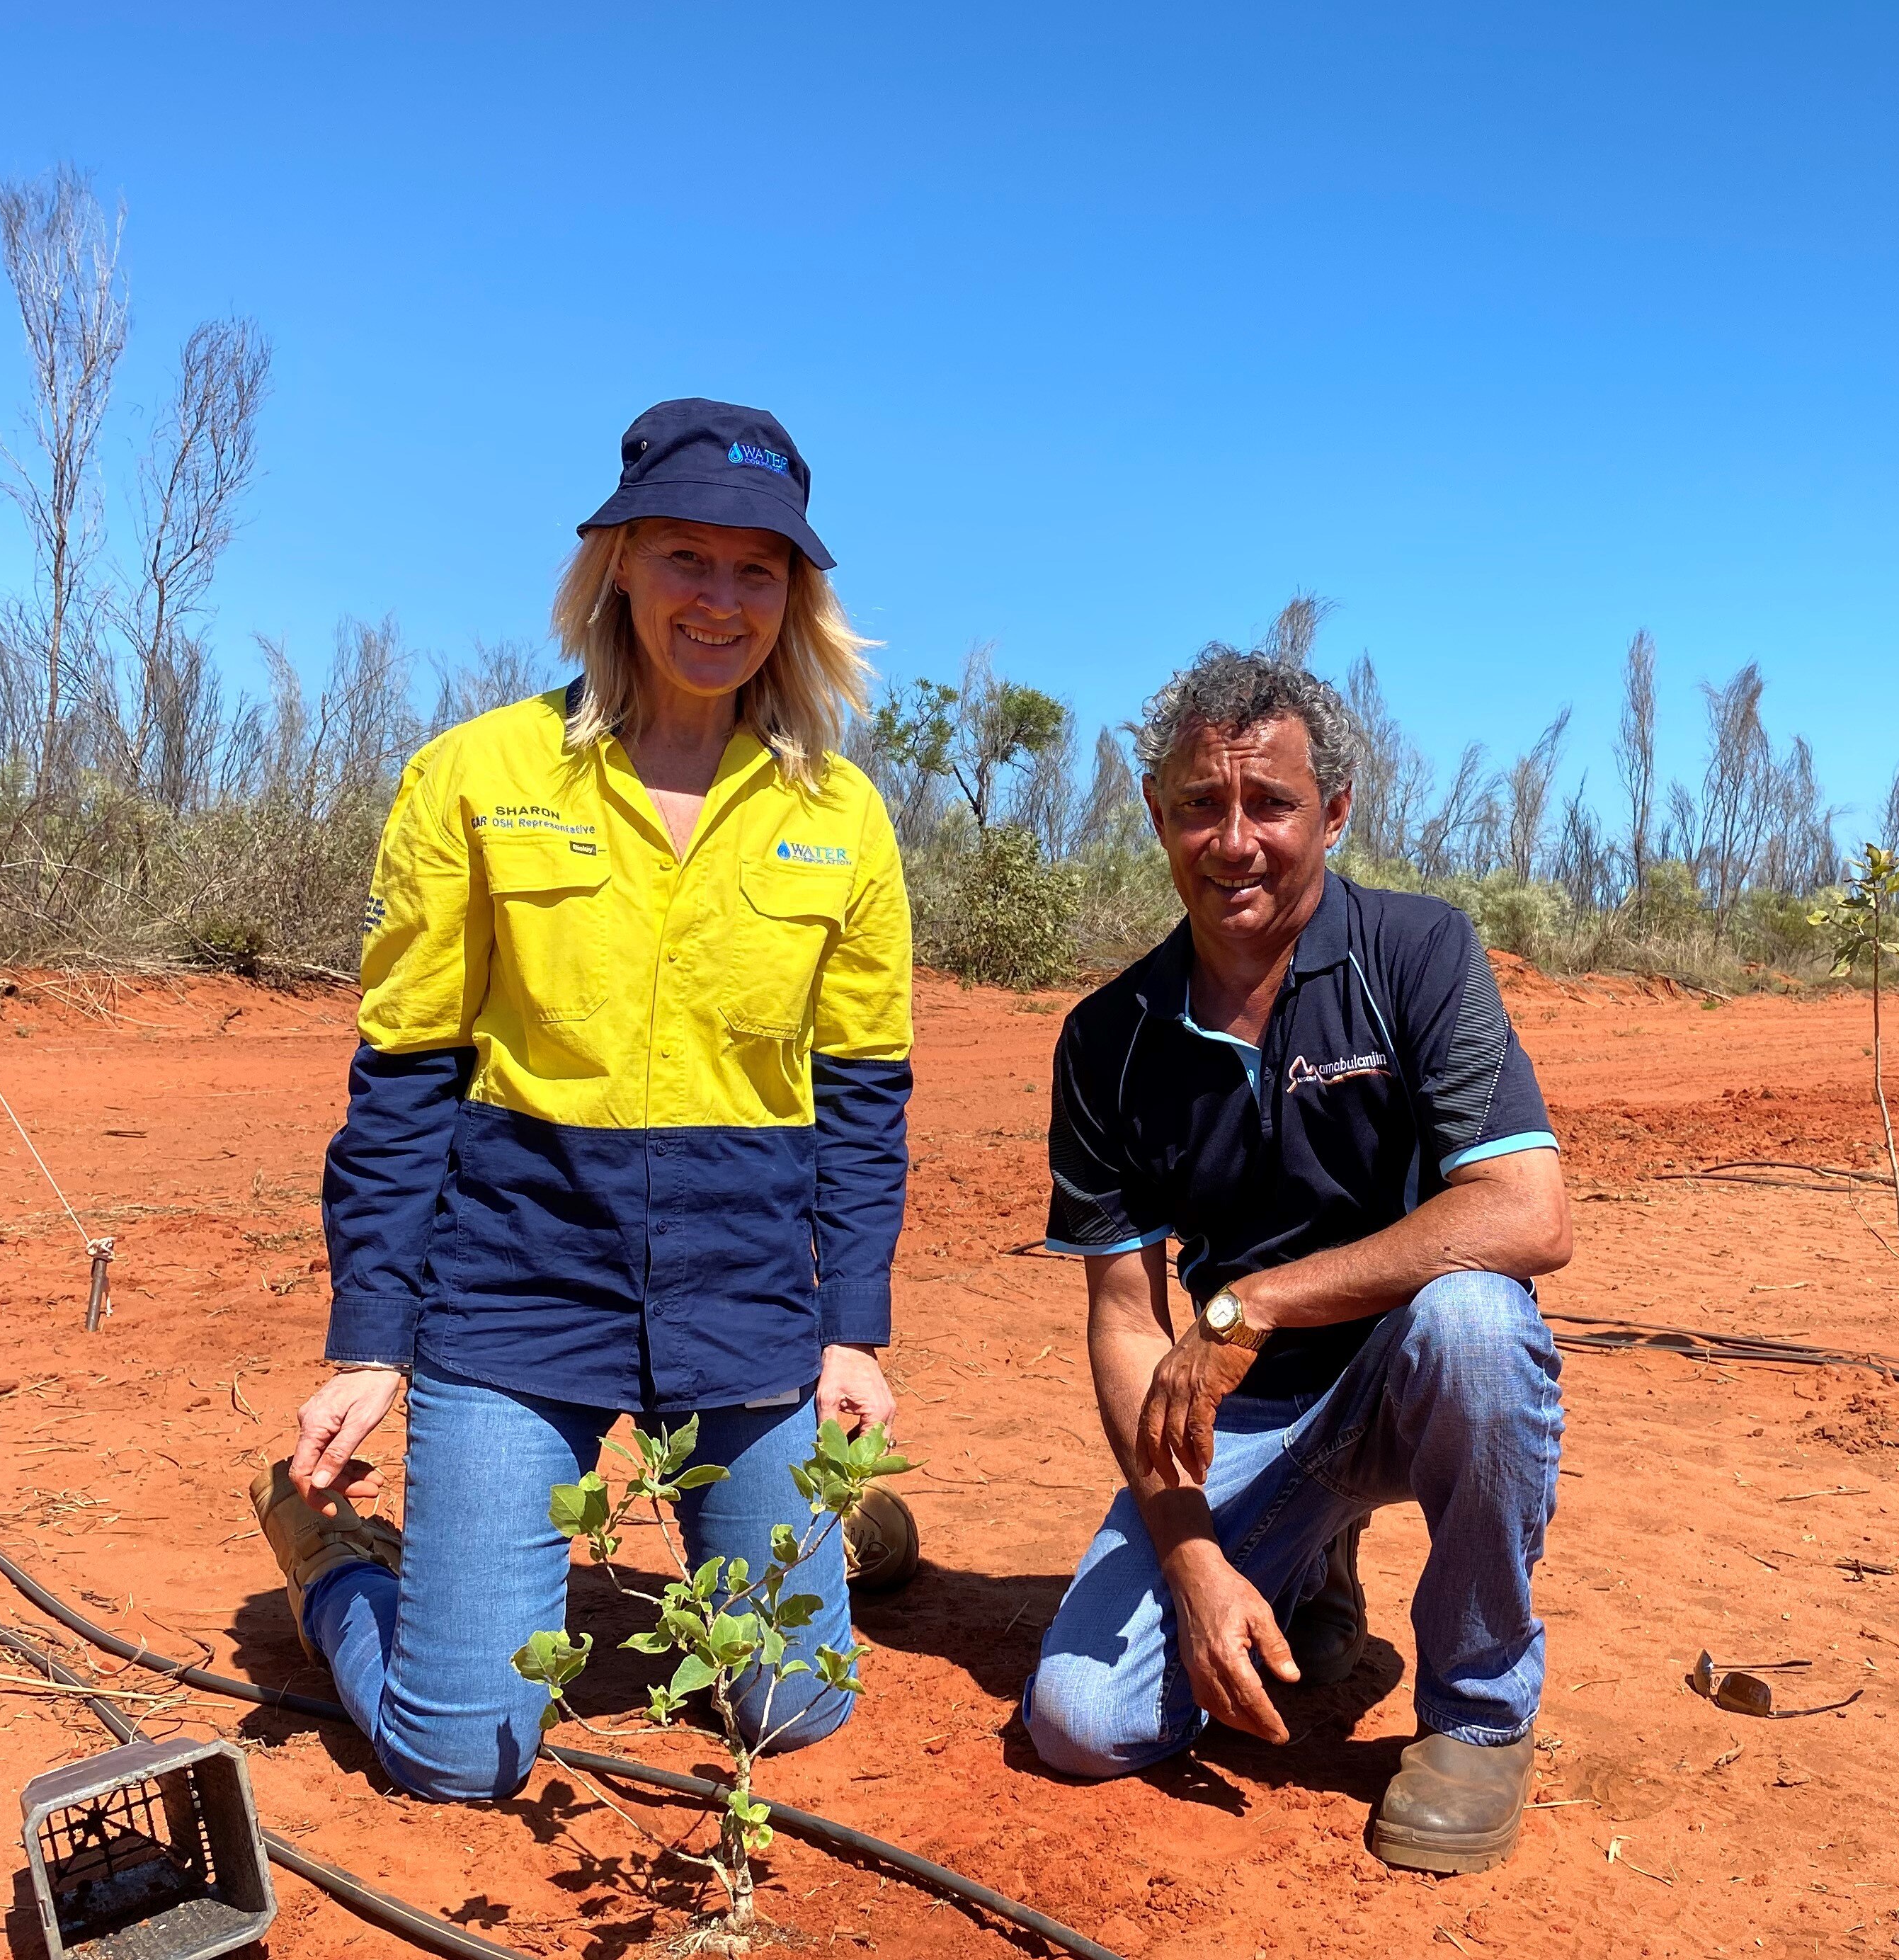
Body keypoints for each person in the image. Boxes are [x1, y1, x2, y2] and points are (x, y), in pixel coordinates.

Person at [250, 398, 918, 1803]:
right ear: (617, 560)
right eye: (686, 556)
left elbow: (861, 1095)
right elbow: (408, 1081)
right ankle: (333, 1564)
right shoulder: (477, 779)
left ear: (796, 594)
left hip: (744, 1302)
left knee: (795, 1709)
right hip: (516, 1294)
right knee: (459, 1755)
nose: (719, 599)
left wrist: (854, 1331)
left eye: (758, 569)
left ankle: (812, 1526)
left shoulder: (841, 815)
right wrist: (372, 1342)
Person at [1021, 646, 1573, 1874]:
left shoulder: (1416, 955)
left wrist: (1252, 1301)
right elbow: (1123, 1322)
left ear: (1333, 811)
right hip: (1248, 1423)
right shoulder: (1109, 1039)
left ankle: (1480, 1714)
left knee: (1477, 1321)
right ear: (1158, 815)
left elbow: (1530, 1213)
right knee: (1082, 1722)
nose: (1235, 841)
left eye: (1269, 804)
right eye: (1202, 807)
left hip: (1405, 1374)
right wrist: (1194, 1560)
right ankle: (1300, 1556)